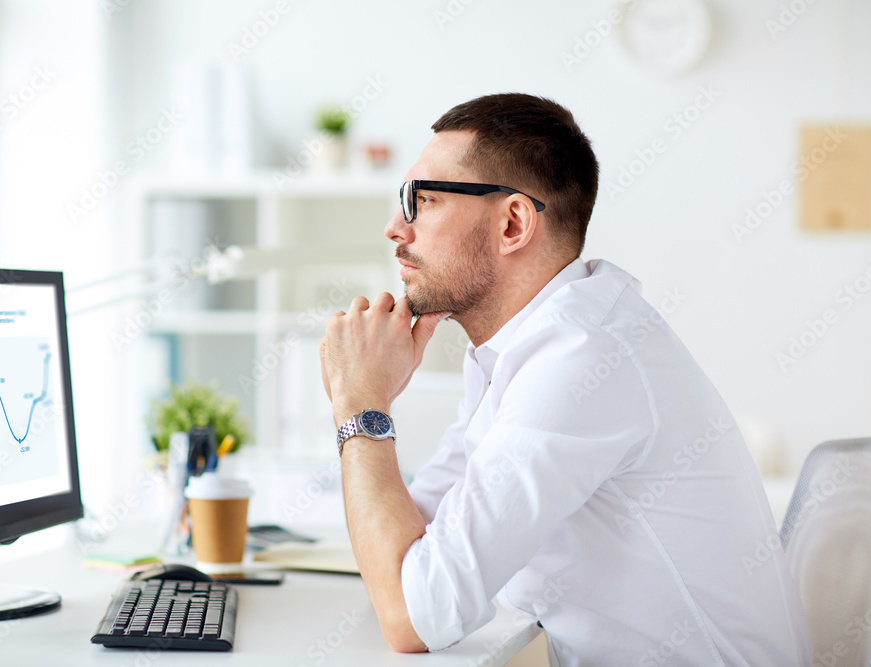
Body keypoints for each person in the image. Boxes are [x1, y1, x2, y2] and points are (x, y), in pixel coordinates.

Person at [320, 93, 811, 666]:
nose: (394, 228)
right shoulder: (517, 353)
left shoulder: (583, 359)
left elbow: (414, 616)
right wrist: (366, 404)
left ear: (512, 223)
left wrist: (361, 402)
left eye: (422, 201)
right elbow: (405, 552)